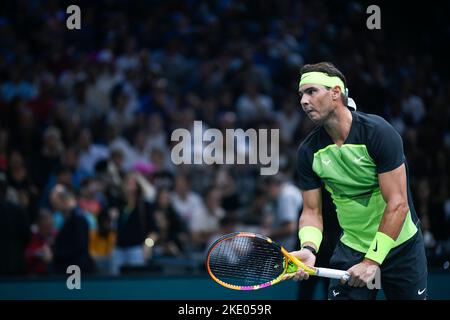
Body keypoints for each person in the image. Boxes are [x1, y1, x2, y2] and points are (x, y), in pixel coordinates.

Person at [289, 62, 427, 300]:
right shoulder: (308, 152)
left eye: (311, 91)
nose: (303, 101)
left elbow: (398, 204)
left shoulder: (378, 133)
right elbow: (312, 211)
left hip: (401, 246)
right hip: (352, 248)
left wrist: (372, 260)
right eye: (301, 94)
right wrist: (308, 248)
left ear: (335, 93)